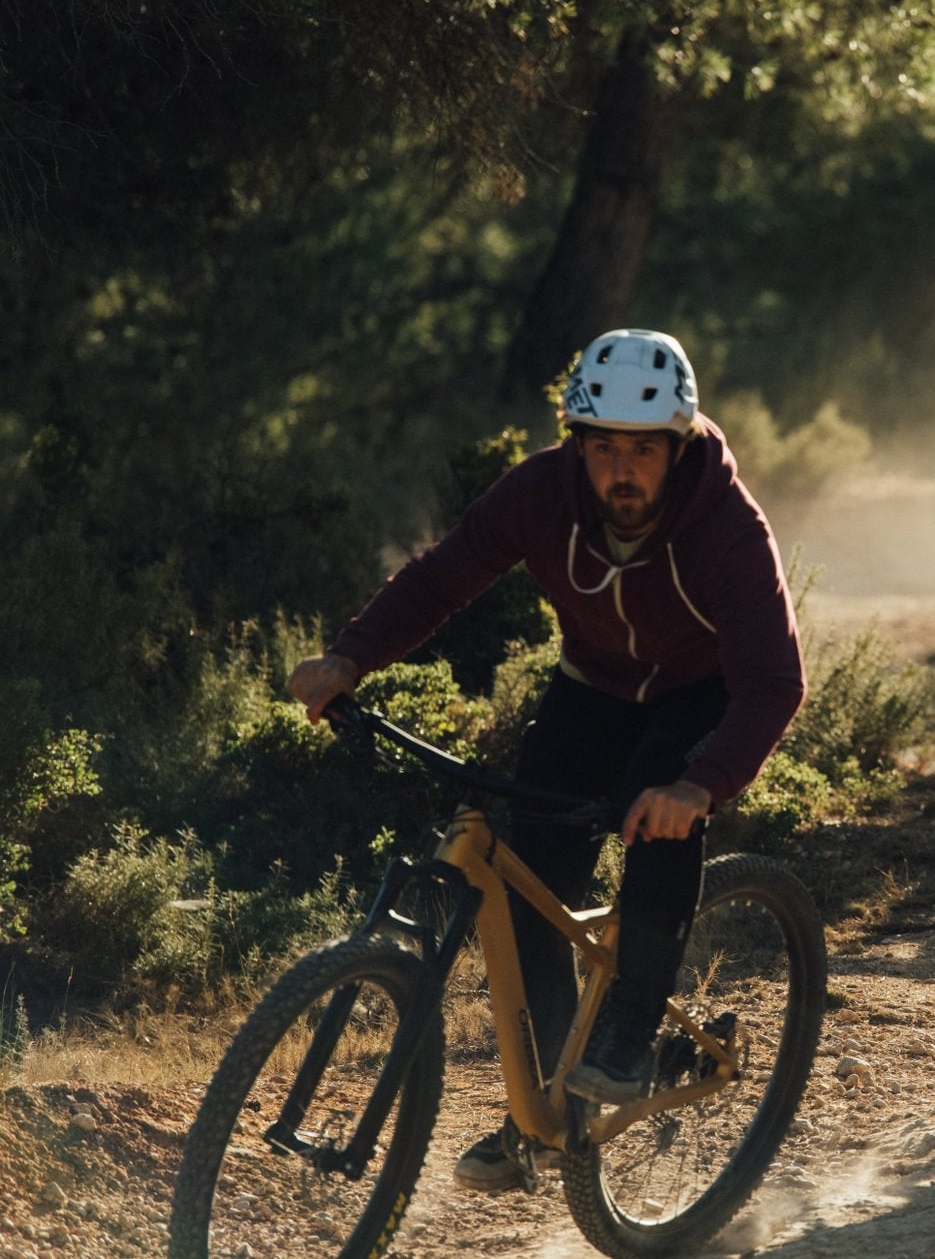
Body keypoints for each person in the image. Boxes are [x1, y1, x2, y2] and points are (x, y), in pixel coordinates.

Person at [287, 329, 806, 1191]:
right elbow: (442, 575)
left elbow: (772, 681)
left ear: (676, 447)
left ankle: (630, 1036)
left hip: (696, 693)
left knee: (656, 823)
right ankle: (550, 1111)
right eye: (604, 448)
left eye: (643, 450)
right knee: (526, 879)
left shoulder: (725, 526)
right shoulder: (542, 494)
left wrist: (698, 783)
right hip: (590, 687)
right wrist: (351, 656)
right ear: (578, 445)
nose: (623, 472)